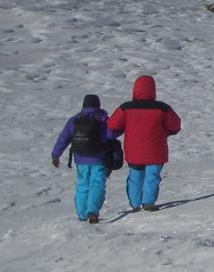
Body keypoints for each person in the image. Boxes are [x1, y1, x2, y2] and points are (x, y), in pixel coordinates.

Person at [108, 75, 182, 212]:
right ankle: (149, 202)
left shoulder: (126, 108)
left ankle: (135, 204)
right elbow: (175, 125)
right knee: (152, 176)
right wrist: (167, 132)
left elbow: (112, 125)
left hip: (134, 150)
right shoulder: (162, 108)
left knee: (135, 176)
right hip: (156, 150)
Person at [51, 94, 112, 224]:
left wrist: (56, 154)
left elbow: (64, 138)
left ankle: (82, 213)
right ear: (98, 105)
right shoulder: (102, 119)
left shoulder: (74, 120)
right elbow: (112, 134)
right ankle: (92, 212)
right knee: (97, 184)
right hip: (98, 157)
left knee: (82, 184)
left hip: (80, 158)